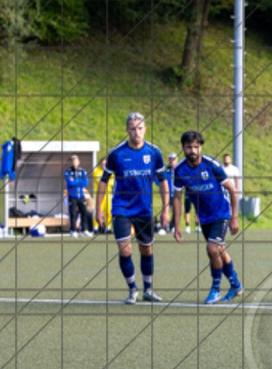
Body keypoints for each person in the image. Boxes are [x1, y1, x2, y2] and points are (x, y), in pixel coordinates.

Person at [96, 112, 170, 304]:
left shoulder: (154, 153)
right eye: (132, 129)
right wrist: (98, 209)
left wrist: (166, 209)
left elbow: (163, 182)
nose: (136, 132)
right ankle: (132, 289)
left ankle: (148, 289)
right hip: (122, 208)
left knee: (146, 250)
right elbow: (103, 181)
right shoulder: (116, 154)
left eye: (139, 128)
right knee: (125, 249)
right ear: (127, 130)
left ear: (145, 130)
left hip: (144, 209)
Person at [173, 131, 242, 304]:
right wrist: (177, 225)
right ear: (183, 148)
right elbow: (177, 198)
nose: (192, 150)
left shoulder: (211, 165)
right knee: (220, 251)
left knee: (212, 249)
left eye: (196, 147)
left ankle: (215, 289)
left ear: (201, 147)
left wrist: (234, 217)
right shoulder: (180, 170)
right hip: (204, 217)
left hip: (221, 213)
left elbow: (232, 189)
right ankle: (235, 285)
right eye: (189, 147)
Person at [63, 154, 93, 238]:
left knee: (84, 212)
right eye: (73, 161)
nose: (74, 162)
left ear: (79, 162)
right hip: (72, 195)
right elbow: (71, 183)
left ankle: (84, 230)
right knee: (73, 213)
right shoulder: (68, 171)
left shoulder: (83, 171)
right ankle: (73, 230)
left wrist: (76, 181)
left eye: (76, 160)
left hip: (81, 195)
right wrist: (80, 181)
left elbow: (86, 182)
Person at [157, 152, 179, 235]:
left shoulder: (179, 170)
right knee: (165, 210)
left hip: (176, 194)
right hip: (167, 194)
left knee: (176, 211)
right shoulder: (166, 170)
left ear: (176, 160)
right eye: (171, 159)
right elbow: (160, 180)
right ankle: (163, 227)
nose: (172, 161)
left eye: (174, 159)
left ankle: (173, 226)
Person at [92, 157, 113, 233]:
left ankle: (108, 227)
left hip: (108, 195)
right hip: (99, 195)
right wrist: (105, 183)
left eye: (105, 164)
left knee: (109, 211)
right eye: (102, 164)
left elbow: (112, 182)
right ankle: (96, 227)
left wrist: (105, 183)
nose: (104, 165)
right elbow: (99, 182)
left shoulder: (110, 172)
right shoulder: (96, 172)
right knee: (98, 210)